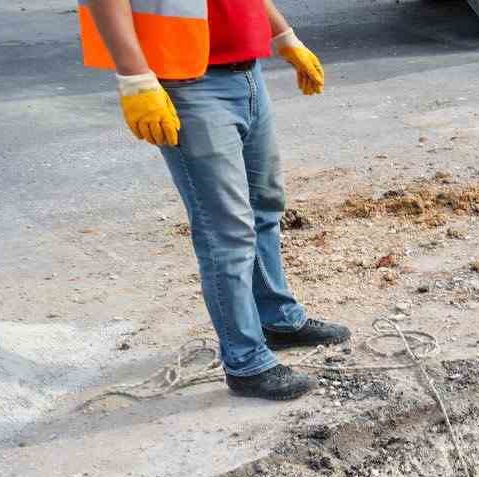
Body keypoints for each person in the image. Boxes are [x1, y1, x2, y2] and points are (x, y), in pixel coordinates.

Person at [81, 0, 350, 402]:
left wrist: (282, 35)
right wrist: (135, 75)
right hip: (189, 83)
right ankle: (247, 362)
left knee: (265, 207)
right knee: (226, 231)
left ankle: (277, 318)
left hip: (247, 73)